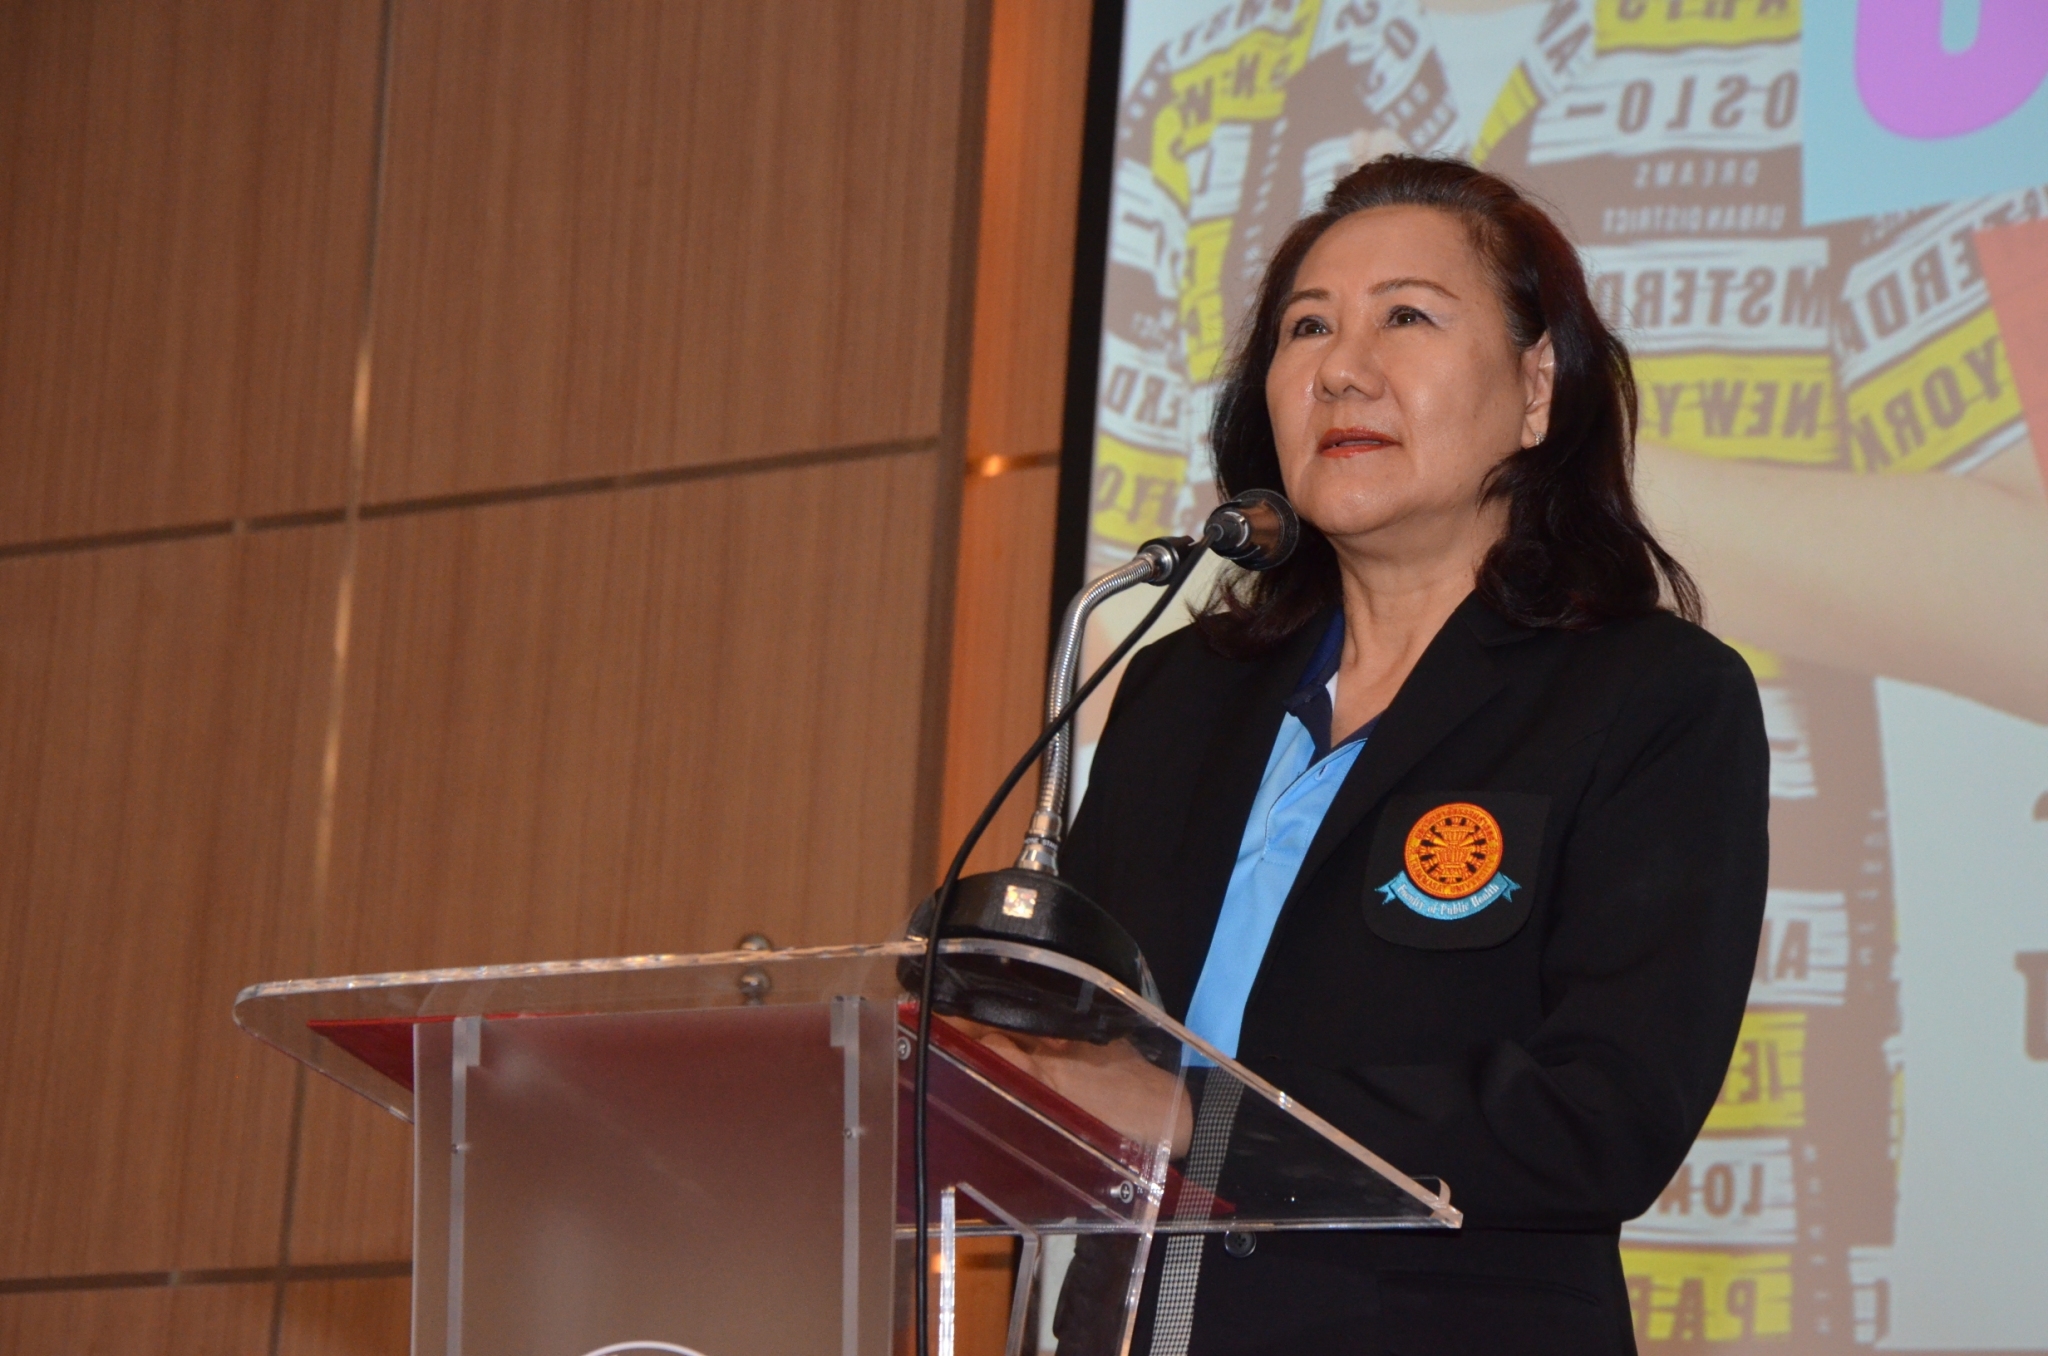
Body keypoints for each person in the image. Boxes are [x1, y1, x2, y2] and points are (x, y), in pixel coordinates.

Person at [1051, 156, 1771, 1354]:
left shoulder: (1649, 699)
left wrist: (1204, 1122)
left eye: (1404, 318)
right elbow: (1079, 1042)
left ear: (1536, 390)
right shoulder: (1180, 692)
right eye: (1306, 327)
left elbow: (1601, 1116)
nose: (1340, 368)